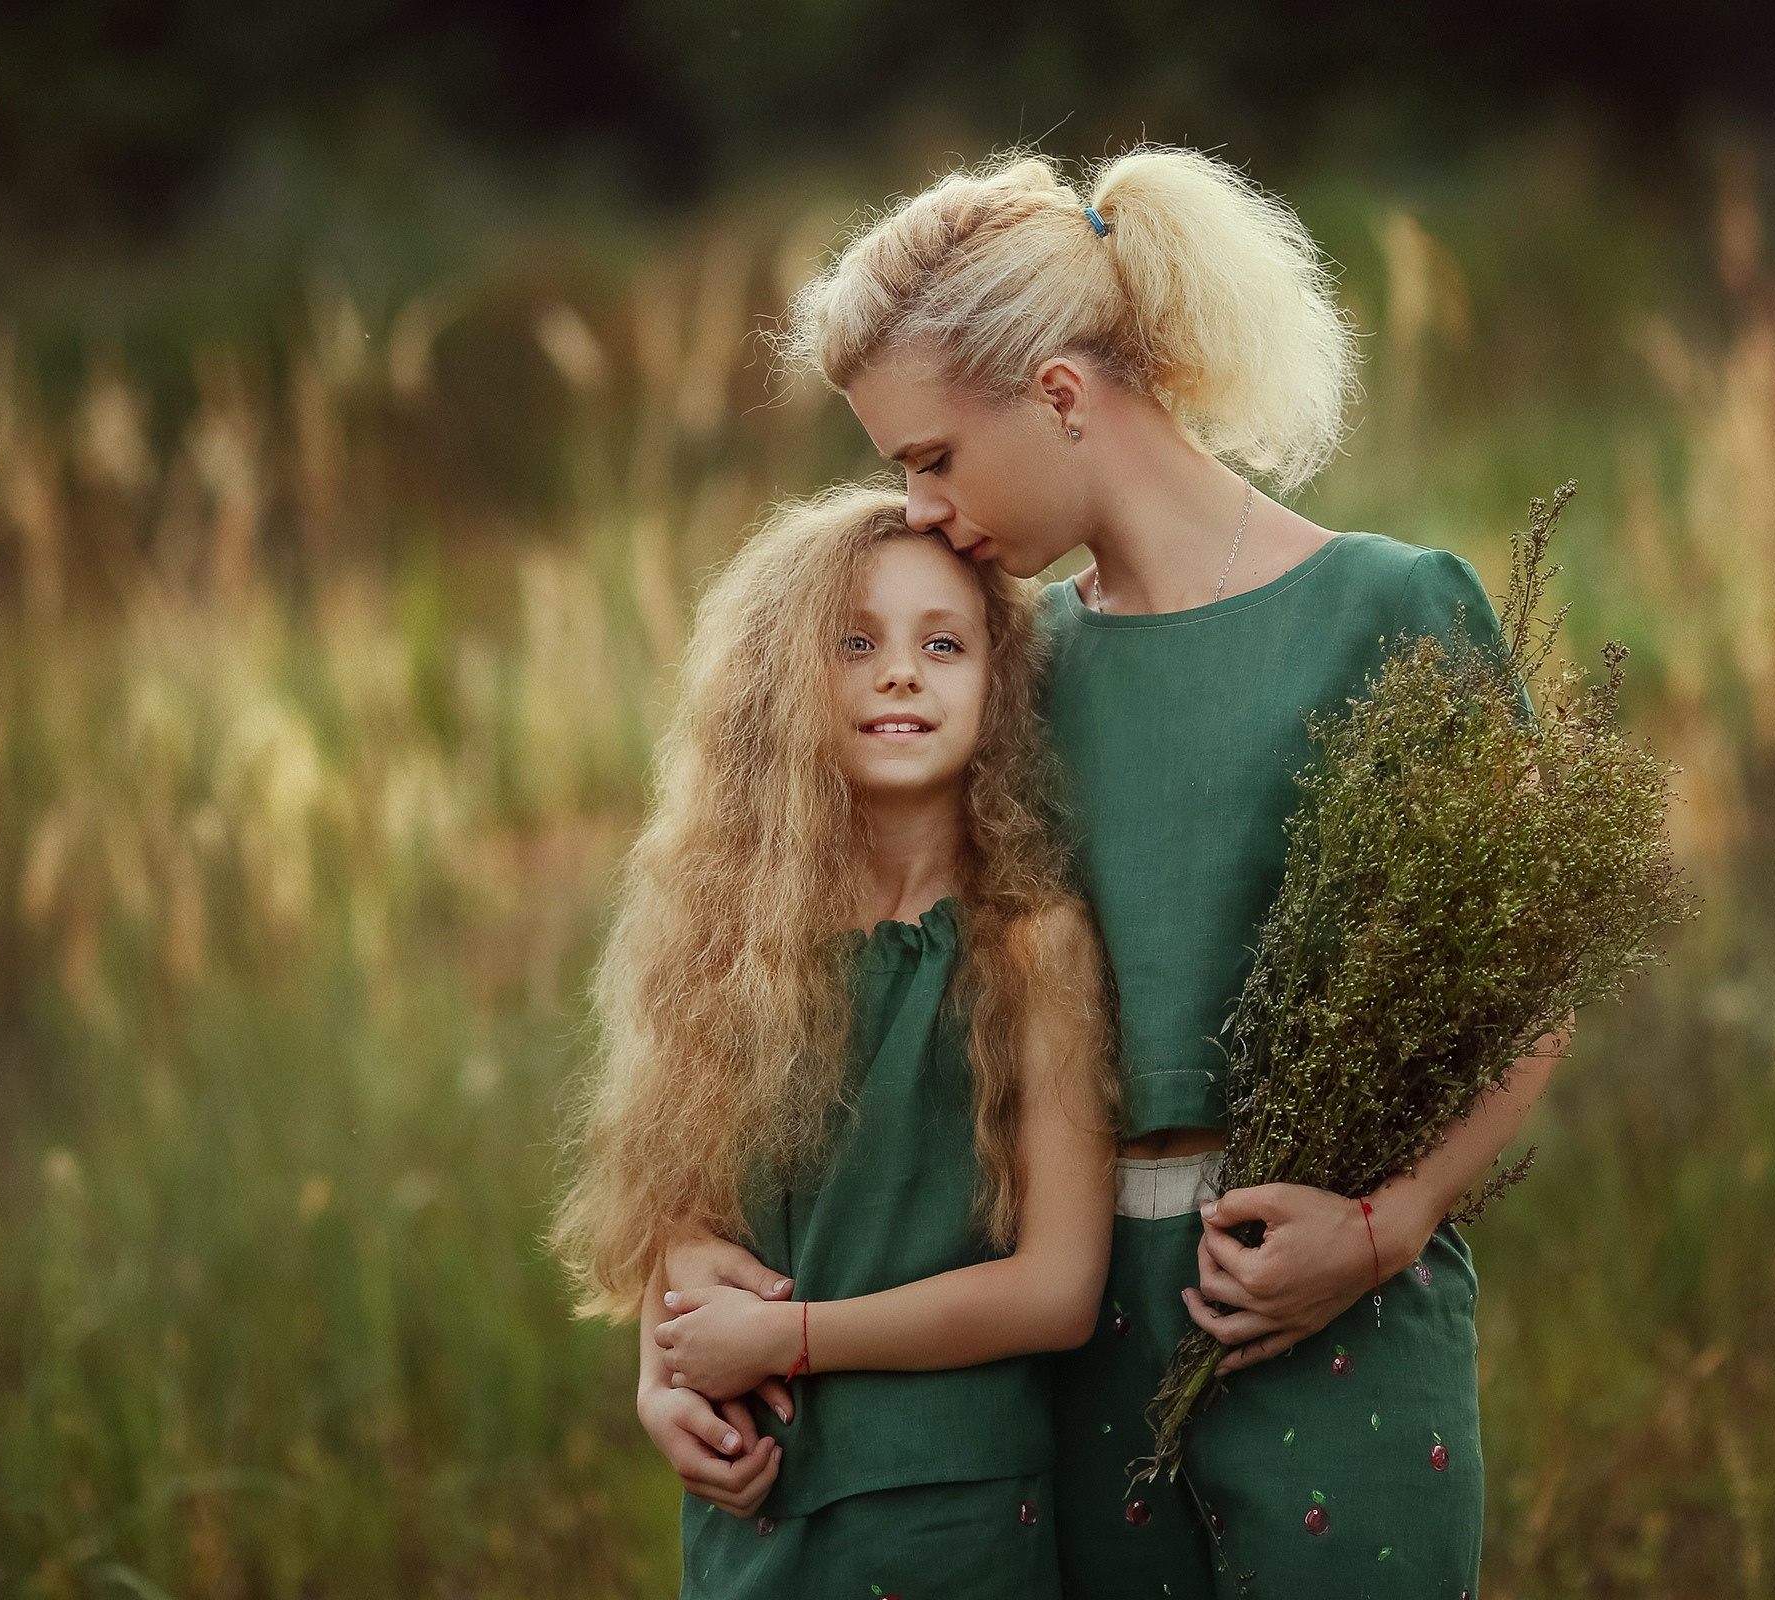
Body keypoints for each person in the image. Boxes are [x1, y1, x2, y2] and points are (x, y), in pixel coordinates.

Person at [661, 147, 1570, 1596]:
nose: (922, 509)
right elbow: (845, 994)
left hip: (1335, 1315)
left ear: (1060, 396)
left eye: (932, 458)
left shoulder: (1391, 609)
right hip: (1069, 1348)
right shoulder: (1010, 669)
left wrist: (1384, 1226)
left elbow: (1539, 981)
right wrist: (683, 1302)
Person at [551, 486, 1121, 1597]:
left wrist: (793, 1339)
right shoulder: (728, 940)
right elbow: (687, 1218)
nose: (900, 673)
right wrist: (661, 1383)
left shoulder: (1030, 943)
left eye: (942, 644)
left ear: (999, 683)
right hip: (755, 1518)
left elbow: (1058, 1290)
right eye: (853, 643)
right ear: (779, 681)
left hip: (951, 1518)